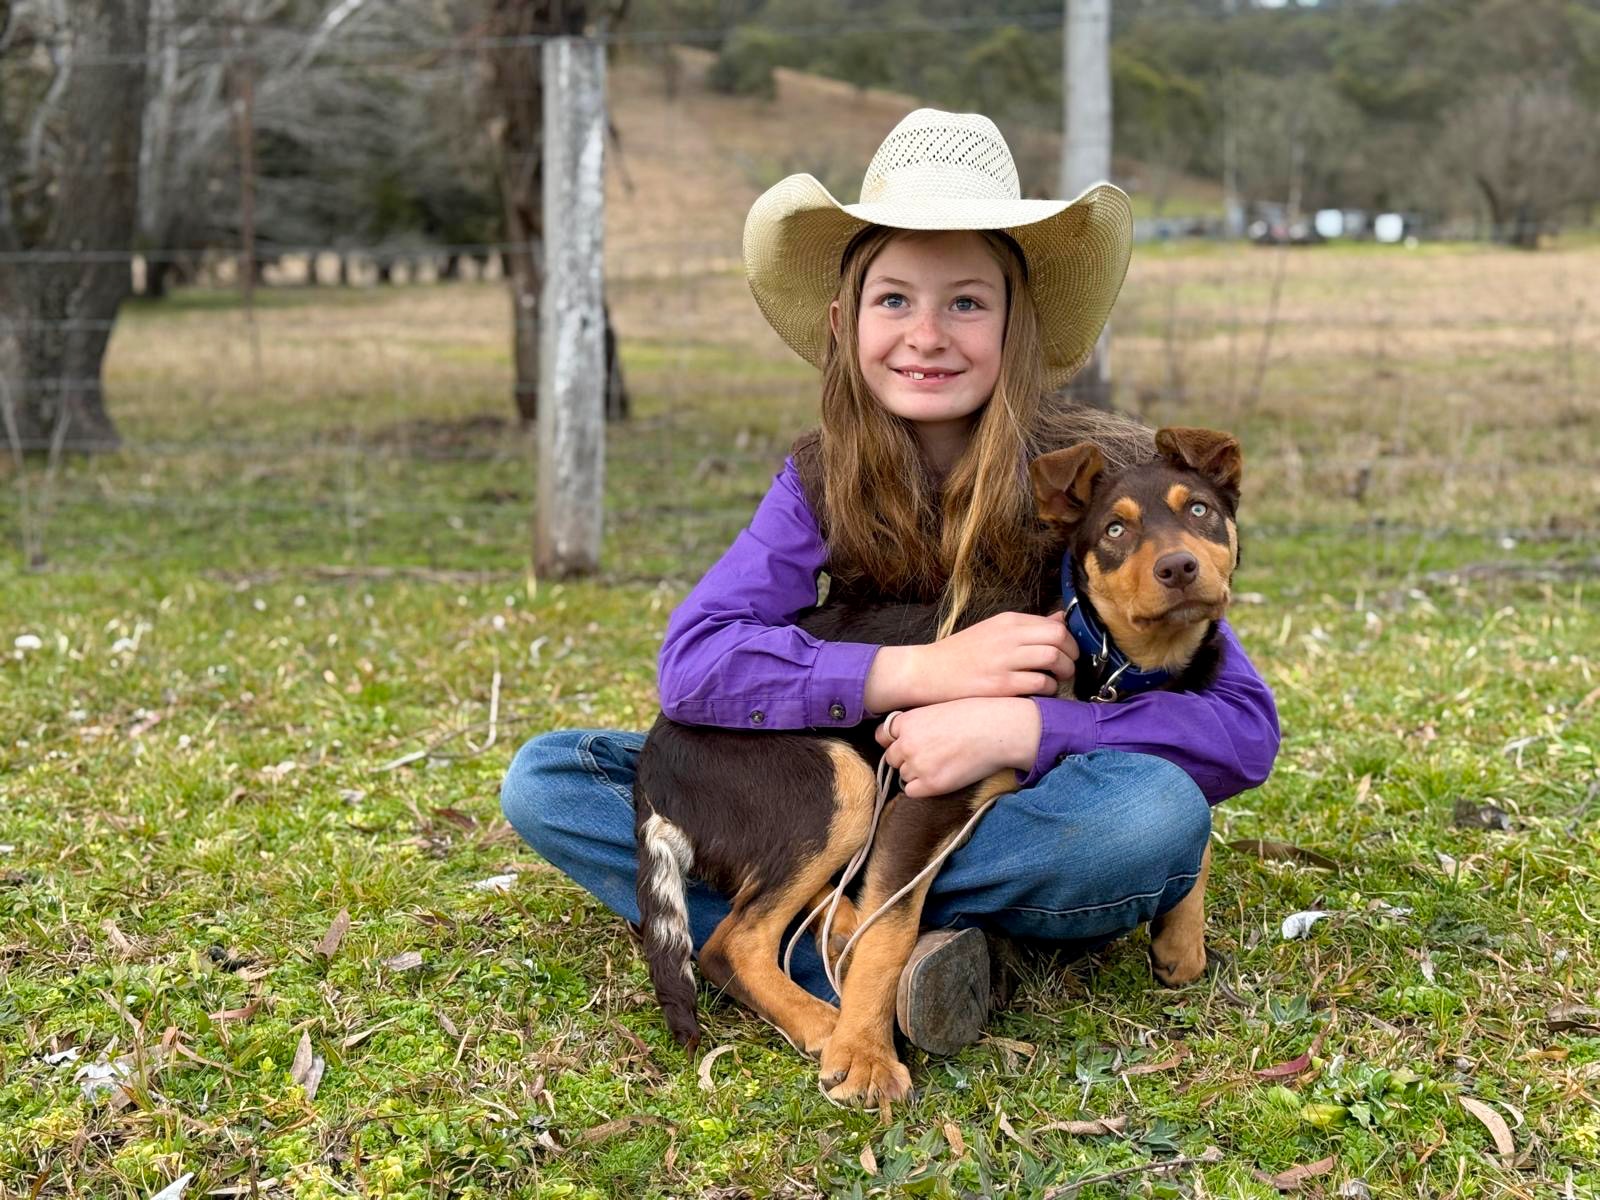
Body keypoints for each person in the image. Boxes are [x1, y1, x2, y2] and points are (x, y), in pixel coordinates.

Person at [501, 109, 1279, 1054]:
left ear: (1018, 323)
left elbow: (1240, 730)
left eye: (967, 303)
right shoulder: (819, 479)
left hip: (997, 801)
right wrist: (920, 672)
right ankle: (924, 949)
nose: (927, 335)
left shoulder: (1103, 479)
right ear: (846, 321)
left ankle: (830, 927)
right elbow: (693, 665)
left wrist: (1025, 729)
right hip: (834, 788)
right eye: (895, 300)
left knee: (1150, 814)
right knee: (552, 779)